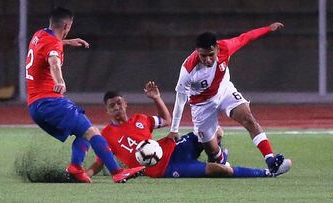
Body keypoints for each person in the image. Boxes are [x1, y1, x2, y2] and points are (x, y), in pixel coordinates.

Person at [25, 7, 144, 183]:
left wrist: (68, 42)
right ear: (67, 25)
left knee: (82, 132)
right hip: (50, 102)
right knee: (92, 132)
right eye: (70, 27)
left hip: (35, 106)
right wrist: (60, 81)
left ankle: (75, 168)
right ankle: (117, 172)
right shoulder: (54, 45)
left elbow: (48, 46)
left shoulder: (39, 35)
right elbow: (54, 63)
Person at [85, 81, 290, 178]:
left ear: (125, 104)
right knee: (219, 171)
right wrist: (87, 174)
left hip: (174, 148)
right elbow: (100, 159)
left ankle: (216, 155)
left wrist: (156, 98)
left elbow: (166, 120)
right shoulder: (107, 135)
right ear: (107, 111)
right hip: (163, 169)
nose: (117, 108)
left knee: (216, 131)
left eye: (119, 103)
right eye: (112, 106)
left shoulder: (140, 119)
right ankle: (267, 173)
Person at [167, 22, 292, 173]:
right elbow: (180, 98)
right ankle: (219, 159)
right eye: (203, 56)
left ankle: (271, 161)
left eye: (211, 55)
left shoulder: (225, 47)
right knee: (211, 149)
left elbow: (245, 38)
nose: (207, 60)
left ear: (217, 49)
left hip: (224, 90)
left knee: (248, 118)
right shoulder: (188, 70)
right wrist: (174, 129)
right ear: (197, 52)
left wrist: (267, 29)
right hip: (202, 105)